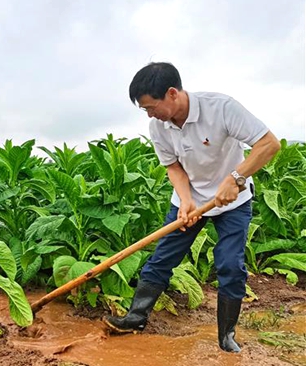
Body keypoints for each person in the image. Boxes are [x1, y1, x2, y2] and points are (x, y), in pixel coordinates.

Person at [103, 62, 280, 353]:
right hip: (189, 201)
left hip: (232, 202)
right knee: (162, 258)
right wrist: (186, 200)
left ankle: (227, 336)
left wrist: (235, 179)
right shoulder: (158, 127)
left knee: (230, 264)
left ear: (172, 93)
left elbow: (268, 144)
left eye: (151, 107)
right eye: (144, 110)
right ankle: (135, 317)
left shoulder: (221, 108)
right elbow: (173, 167)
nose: (149, 114)